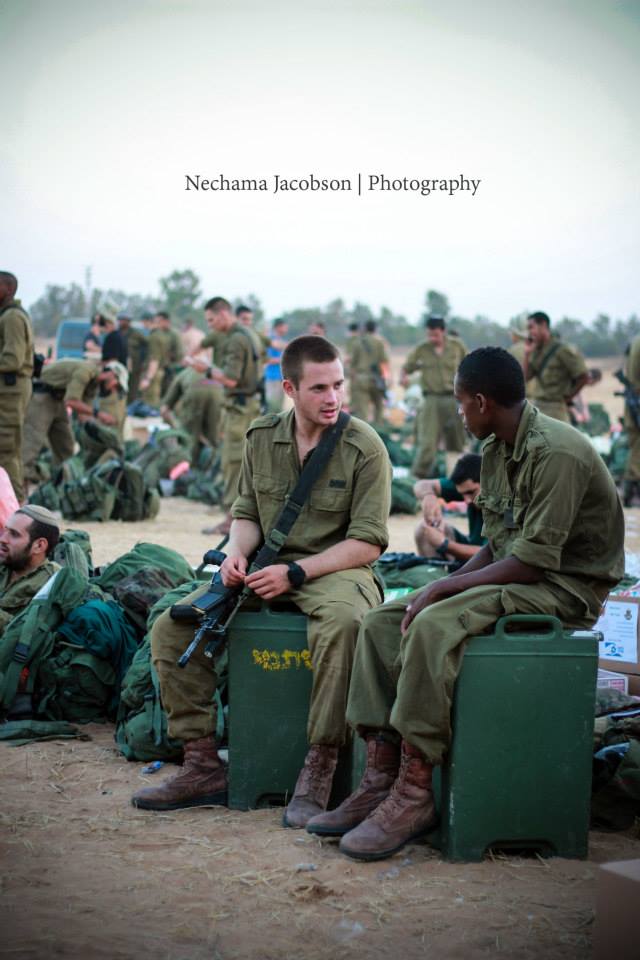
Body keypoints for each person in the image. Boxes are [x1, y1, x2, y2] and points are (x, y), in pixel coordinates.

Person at [306, 346, 624, 861]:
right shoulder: (497, 448)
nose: (457, 413)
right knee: (383, 621)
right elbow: (498, 545)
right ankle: (380, 776)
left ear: (481, 402)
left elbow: (533, 561)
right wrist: (444, 582)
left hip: (568, 587)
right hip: (525, 573)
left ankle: (415, 791)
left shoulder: (557, 453)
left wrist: (443, 591)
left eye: (460, 403)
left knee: (433, 624)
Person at [132, 335, 392, 828]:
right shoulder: (261, 437)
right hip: (267, 564)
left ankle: (320, 768)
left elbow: (368, 542)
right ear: (289, 389)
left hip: (336, 569)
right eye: (319, 388)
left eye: (338, 385)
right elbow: (248, 513)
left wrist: (297, 572)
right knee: (173, 626)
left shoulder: (365, 447)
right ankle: (202, 765)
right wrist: (235, 553)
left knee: (342, 625)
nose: (333, 398)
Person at [190, 297, 263, 535]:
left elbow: (231, 379)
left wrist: (206, 369)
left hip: (239, 408)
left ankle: (232, 518)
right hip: (247, 404)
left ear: (223, 314)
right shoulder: (248, 334)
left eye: (211, 320)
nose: (210, 325)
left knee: (233, 462)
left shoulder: (236, 339)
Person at [22, 359, 119, 485]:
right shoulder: (85, 371)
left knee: (66, 450)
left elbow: (83, 416)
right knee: (30, 447)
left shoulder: (93, 385)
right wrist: (99, 414)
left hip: (59, 400)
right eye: (116, 385)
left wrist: (101, 426)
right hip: (43, 395)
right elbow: (71, 401)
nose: (113, 390)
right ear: (110, 374)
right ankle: (19, 490)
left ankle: (59, 486)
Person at [400, 315, 467, 478]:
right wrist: (403, 378)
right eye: (429, 335)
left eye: (435, 335)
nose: (432, 339)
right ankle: (417, 478)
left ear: (443, 331)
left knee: (456, 442)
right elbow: (407, 367)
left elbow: (469, 364)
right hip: (431, 399)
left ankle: (455, 478)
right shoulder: (422, 349)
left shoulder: (456, 346)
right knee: (427, 443)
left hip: (454, 398)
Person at [0, 505, 60, 637]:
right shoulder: (6, 562)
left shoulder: (52, 584)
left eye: (14, 534)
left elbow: (29, 635)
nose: (3, 539)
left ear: (39, 546)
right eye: (5, 530)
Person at [0, 271, 34, 502]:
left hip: (10, 392)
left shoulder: (12, 317)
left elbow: (13, 359)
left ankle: (17, 508)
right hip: (8, 391)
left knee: (5, 451)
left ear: (9, 289)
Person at [413, 453, 485, 562]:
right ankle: (436, 571)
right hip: (473, 548)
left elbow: (492, 554)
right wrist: (429, 497)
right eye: (463, 494)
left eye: (471, 492)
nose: (467, 500)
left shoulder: (504, 500)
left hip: (495, 563)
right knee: (424, 530)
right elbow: (421, 485)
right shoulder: (466, 486)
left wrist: (444, 544)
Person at [524, 311, 588, 422]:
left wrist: (568, 398)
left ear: (543, 325)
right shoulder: (536, 350)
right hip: (538, 407)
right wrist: (527, 354)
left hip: (556, 410)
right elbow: (525, 377)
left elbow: (583, 376)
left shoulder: (562, 349)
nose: (529, 332)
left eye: (531, 327)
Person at [160, 366, 222, 465]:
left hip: (194, 396)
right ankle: (212, 464)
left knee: (190, 437)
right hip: (219, 395)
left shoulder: (183, 374)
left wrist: (176, 425)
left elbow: (164, 409)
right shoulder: (217, 372)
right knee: (213, 437)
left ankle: (190, 466)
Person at [348, 320, 390, 425]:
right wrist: (386, 379)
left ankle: (364, 431)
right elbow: (384, 362)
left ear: (365, 329)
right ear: (375, 329)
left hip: (361, 379)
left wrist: (352, 382)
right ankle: (379, 429)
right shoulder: (380, 342)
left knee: (362, 411)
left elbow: (352, 364)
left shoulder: (357, 342)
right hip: (377, 379)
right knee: (379, 407)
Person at [623, 335, 640, 506]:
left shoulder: (635, 342)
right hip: (636, 404)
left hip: (632, 404)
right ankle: (631, 493)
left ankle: (629, 493)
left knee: (635, 447)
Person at [139, 313, 170, 406]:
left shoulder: (154, 337)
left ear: (147, 322)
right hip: (158, 371)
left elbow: (154, 359)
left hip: (153, 373)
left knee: (150, 404)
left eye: (143, 322)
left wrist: (148, 379)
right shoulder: (161, 335)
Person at [264, 318, 289, 412]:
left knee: (279, 408)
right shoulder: (270, 340)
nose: (286, 329)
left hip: (281, 378)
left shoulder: (280, 340)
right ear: (278, 327)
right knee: (272, 406)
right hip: (272, 378)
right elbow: (267, 359)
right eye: (285, 326)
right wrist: (284, 360)